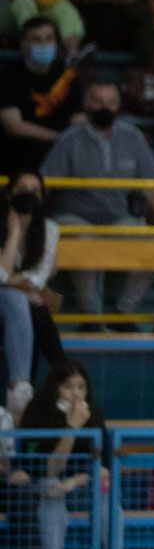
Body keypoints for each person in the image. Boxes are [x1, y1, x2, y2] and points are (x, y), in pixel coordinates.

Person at [43, 77, 154, 319]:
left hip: (117, 218)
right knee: (86, 240)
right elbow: (45, 185)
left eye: (111, 102)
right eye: (98, 101)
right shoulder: (69, 139)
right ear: (87, 104)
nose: (105, 107)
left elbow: (151, 188)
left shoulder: (133, 137)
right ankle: (90, 316)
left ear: (119, 105)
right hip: (73, 217)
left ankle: (122, 315)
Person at [18, 361, 129, 549]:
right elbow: (48, 470)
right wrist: (72, 427)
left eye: (81, 387)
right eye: (68, 387)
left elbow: (104, 467)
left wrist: (73, 482)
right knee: (51, 491)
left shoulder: (93, 414)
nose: (76, 393)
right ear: (55, 388)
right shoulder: (38, 414)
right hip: (44, 488)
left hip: (79, 486)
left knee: (106, 494)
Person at [2, 173, 63, 416]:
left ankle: (23, 395)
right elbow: (1, 275)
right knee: (28, 303)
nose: (29, 194)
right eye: (22, 188)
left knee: (34, 309)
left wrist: (14, 284)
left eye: (35, 189)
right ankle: (63, 373)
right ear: (9, 194)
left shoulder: (49, 229)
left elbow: (38, 277)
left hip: (21, 310)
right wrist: (14, 230)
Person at [0, 17, 84, 173]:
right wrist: (58, 137)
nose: (44, 44)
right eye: (37, 39)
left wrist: (69, 141)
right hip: (18, 161)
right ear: (24, 44)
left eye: (49, 38)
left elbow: (78, 118)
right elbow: (13, 125)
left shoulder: (68, 77)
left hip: (62, 159)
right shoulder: (7, 76)